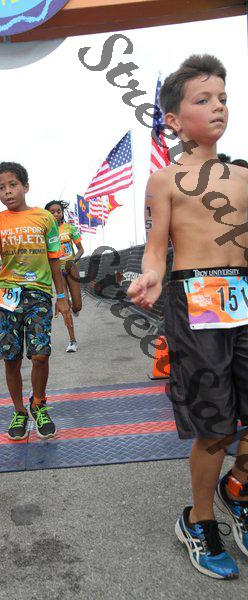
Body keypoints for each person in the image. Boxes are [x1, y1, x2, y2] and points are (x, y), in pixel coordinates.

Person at [127, 55, 248, 580]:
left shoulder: (243, 176)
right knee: (214, 423)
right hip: (196, 299)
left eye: (222, 97)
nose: (218, 106)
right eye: (203, 99)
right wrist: (150, 276)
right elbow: (157, 248)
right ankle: (199, 520)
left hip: (243, 295)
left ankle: (236, 489)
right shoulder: (164, 180)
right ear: (174, 121)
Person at [0, 161, 70, 440]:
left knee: (40, 355)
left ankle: (39, 404)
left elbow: (55, 260)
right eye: (1, 188)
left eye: (13, 185)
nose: (8, 191)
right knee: (11, 359)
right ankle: (19, 412)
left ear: (26, 186)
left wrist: (61, 297)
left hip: (38, 293)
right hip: (6, 294)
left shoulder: (45, 219)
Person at [45, 200, 84, 352]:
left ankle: (75, 307)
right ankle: (72, 341)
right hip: (57, 271)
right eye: (52, 212)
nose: (56, 214)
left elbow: (80, 250)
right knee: (64, 304)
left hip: (71, 268)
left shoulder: (70, 228)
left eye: (59, 211)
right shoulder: (46, 231)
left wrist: (73, 260)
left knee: (77, 306)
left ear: (62, 213)